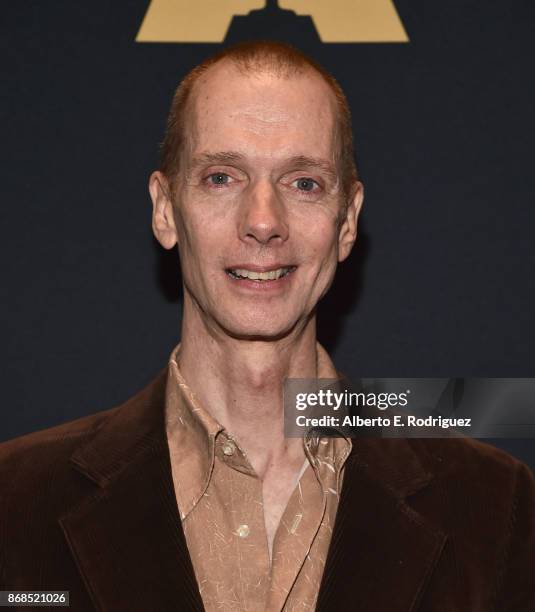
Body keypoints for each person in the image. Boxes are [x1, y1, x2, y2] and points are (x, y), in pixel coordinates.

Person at [1, 41, 534, 612]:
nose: (262, 221)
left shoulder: (493, 504)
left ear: (347, 222)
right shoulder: (15, 500)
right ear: (164, 209)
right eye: (222, 177)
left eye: (303, 183)